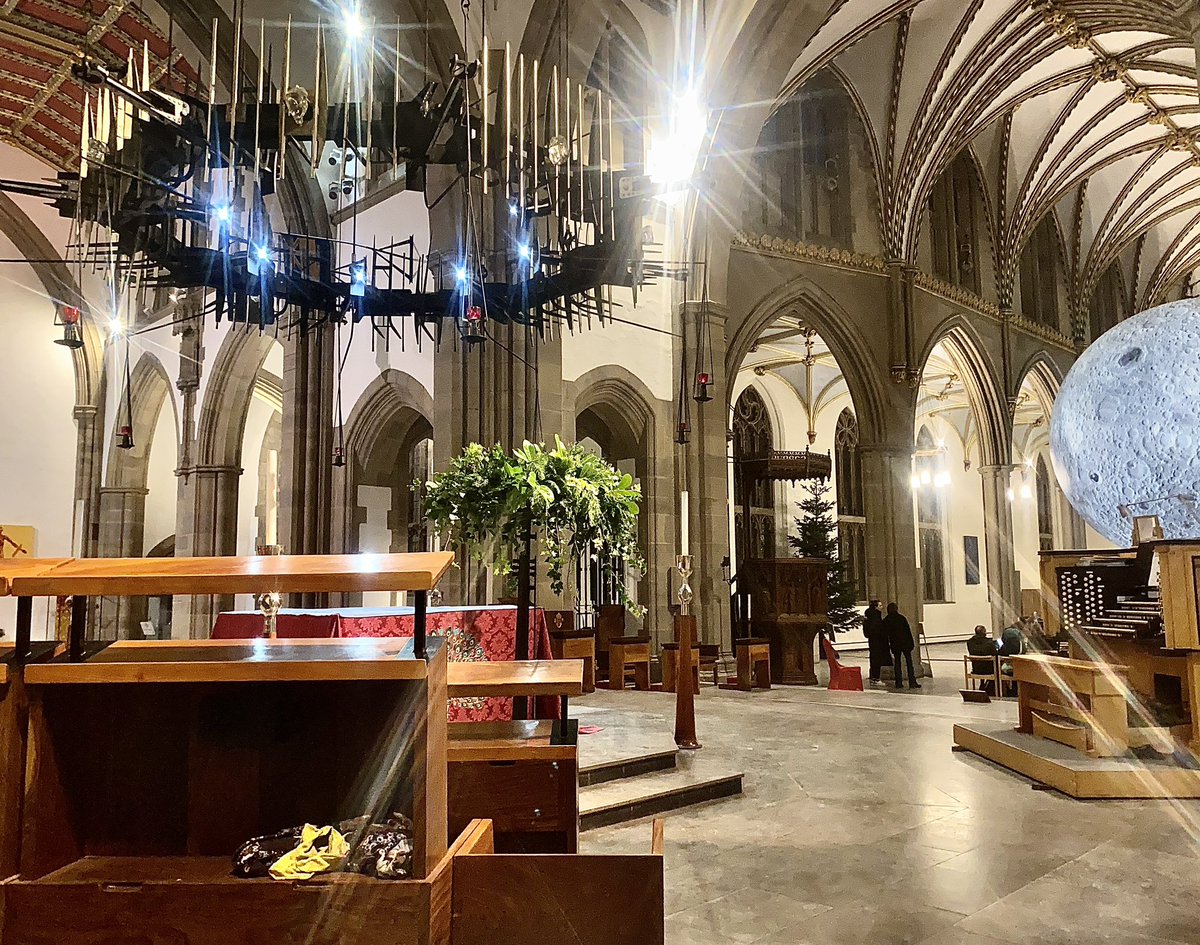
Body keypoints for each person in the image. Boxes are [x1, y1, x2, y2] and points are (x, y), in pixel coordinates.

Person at [883, 602, 920, 689]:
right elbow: (907, 631)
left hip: (895, 644)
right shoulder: (901, 618)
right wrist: (911, 644)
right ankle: (912, 681)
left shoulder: (887, 620)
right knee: (909, 663)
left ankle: (898, 682)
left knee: (897, 663)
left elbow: (885, 634)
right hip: (905, 643)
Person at [966, 625, 999, 694]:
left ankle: (982, 683)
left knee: (981, 662)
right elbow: (995, 655)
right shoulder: (989, 643)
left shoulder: (969, 642)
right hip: (989, 670)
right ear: (985, 633)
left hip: (976, 668)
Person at [863, 600, 887, 684]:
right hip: (877, 640)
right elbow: (877, 628)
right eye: (880, 605)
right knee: (877, 658)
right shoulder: (876, 615)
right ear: (876, 607)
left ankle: (873, 676)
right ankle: (876, 677)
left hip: (871, 639)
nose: (882, 607)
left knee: (873, 657)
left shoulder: (867, 613)